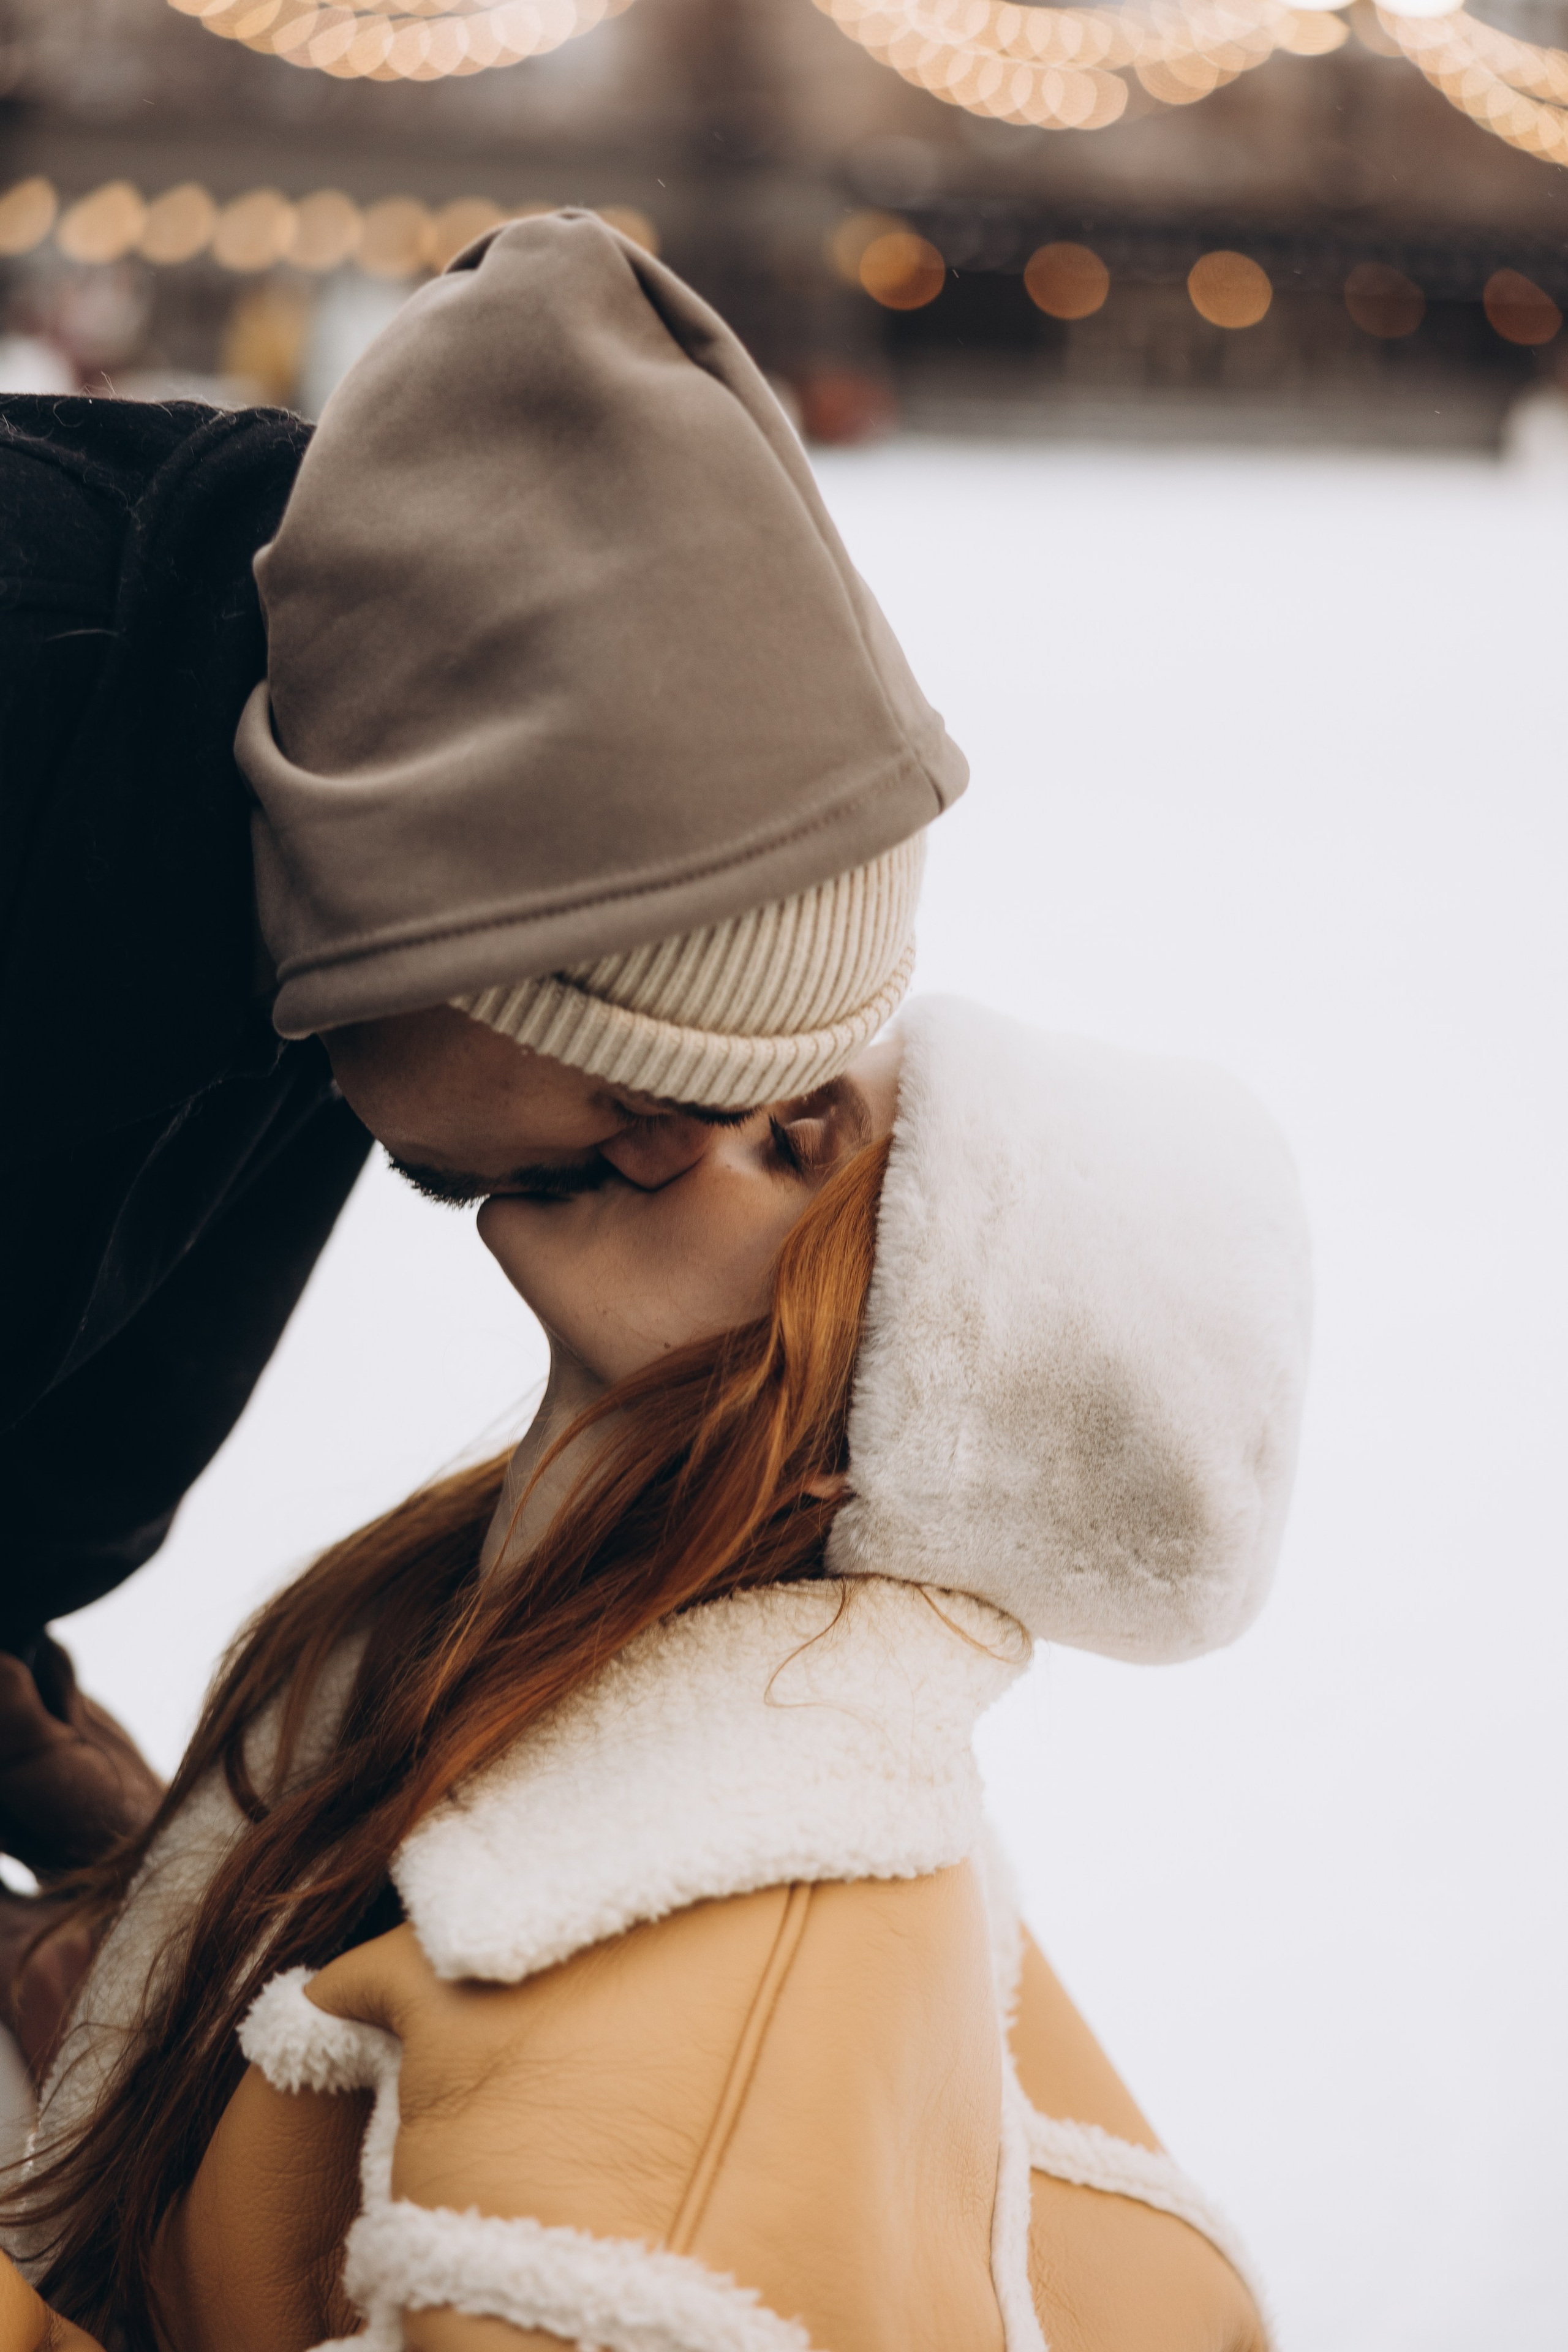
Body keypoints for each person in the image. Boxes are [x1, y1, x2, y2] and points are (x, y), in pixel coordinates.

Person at [1, 994, 1312, 2352]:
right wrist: (149, 1898)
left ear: (866, 1424)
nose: (683, 1103)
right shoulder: (510, 1656)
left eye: (793, 1139)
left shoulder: (725, 1982)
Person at [0, 211, 965, 1887]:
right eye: (646, 1095)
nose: (664, 1172)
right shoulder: (50, 691)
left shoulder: (332, 926)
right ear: (469, 917)